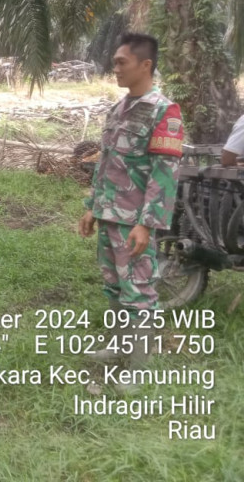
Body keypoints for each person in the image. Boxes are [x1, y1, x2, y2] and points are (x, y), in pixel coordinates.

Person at [78, 32, 183, 392]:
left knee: (139, 292)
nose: (115, 67)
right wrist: (93, 207)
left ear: (146, 65)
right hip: (109, 215)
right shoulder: (118, 108)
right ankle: (118, 344)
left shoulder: (164, 111)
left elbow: (164, 173)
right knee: (113, 286)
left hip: (134, 221)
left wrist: (146, 224)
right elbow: (105, 162)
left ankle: (137, 371)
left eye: (122, 61)